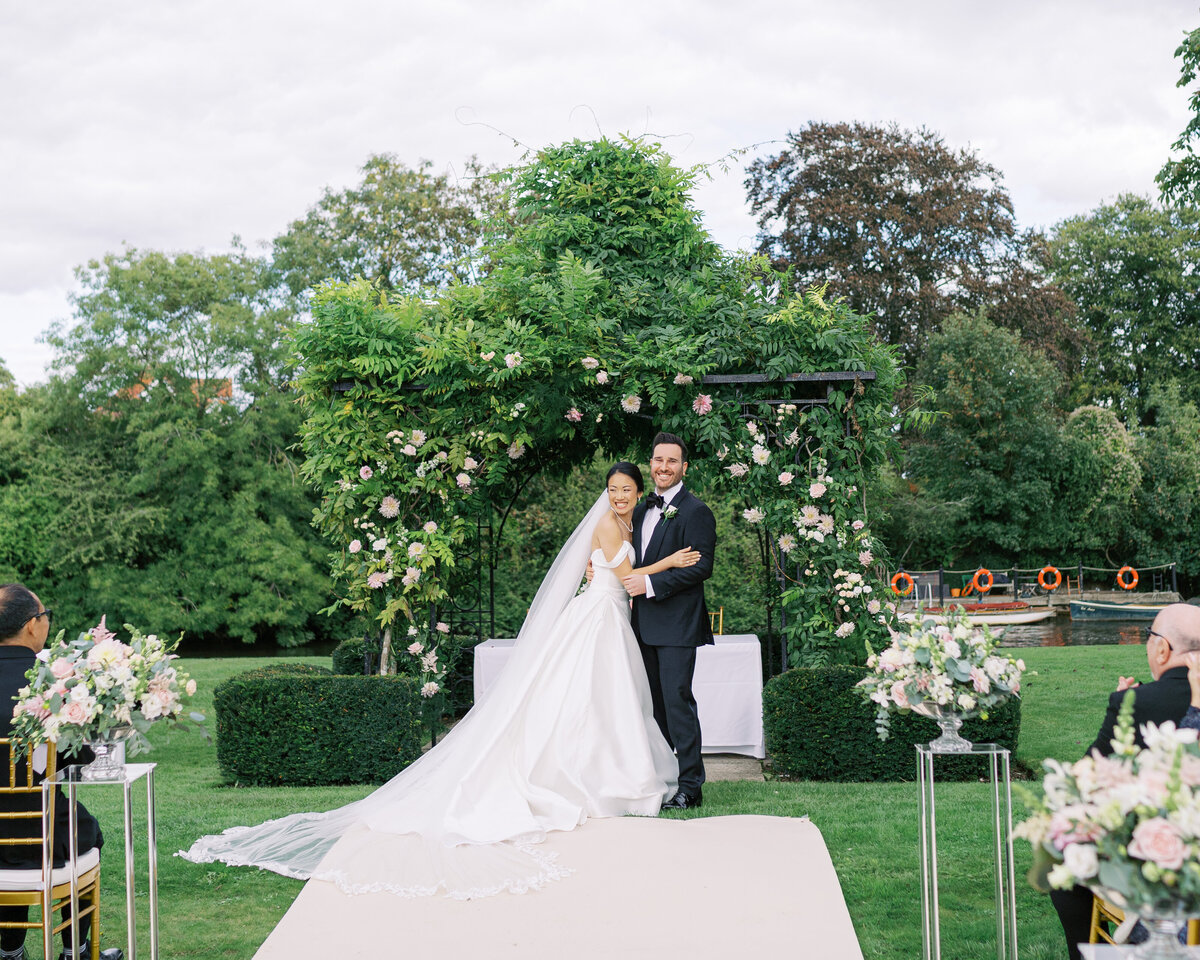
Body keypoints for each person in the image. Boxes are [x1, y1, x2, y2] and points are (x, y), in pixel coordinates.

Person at [181, 463, 706, 898]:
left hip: (609, 617)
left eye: (627, 490)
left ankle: (612, 769)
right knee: (586, 701)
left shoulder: (635, 522)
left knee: (605, 703)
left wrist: (659, 561)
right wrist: (671, 560)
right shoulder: (611, 527)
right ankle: (593, 776)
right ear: (608, 494)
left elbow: (625, 574)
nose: (619, 497)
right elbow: (625, 574)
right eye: (614, 489)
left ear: (638, 493)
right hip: (599, 618)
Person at [1049, 602, 1200, 960]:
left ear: (1161, 647)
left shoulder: (1135, 702)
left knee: (1065, 864)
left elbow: (1084, 778)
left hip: (1163, 860)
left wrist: (1128, 703)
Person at [0, 584, 122, 960]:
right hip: (43, 830)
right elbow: (79, 756)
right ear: (32, 626)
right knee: (86, 831)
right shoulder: (52, 682)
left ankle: (10, 953)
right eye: (45, 614)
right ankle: (76, 951)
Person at [622, 432, 717, 810]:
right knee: (652, 706)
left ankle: (691, 785)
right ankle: (660, 778)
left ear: (684, 467)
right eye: (658, 460)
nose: (664, 467)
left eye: (672, 461)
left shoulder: (696, 512)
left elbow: (701, 568)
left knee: (678, 703)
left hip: (677, 625)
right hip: (640, 626)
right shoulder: (641, 510)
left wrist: (647, 583)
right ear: (651, 463)